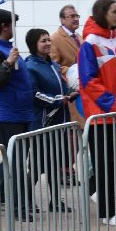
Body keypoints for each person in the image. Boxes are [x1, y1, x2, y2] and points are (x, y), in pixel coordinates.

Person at [77, 0, 116, 225]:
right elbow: (88, 81)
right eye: (115, 12)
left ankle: (104, 197)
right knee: (107, 164)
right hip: (102, 118)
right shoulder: (90, 43)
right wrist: (114, 105)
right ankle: (107, 211)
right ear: (103, 13)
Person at [0, 8, 35, 216]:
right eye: (13, 24)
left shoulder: (4, 47)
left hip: (18, 111)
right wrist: (9, 63)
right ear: (4, 26)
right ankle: (18, 207)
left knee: (14, 160)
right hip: (5, 113)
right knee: (17, 163)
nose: (14, 28)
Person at [24, 27, 71, 210]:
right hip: (42, 123)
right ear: (33, 45)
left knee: (54, 165)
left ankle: (55, 201)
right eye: (43, 41)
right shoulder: (30, 67)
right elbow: (34, 95)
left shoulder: (52, 64)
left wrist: (69, 94)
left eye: (48, 40)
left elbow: (60, 88)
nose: (48, 43)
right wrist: (58, 101)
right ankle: (26, 201)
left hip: (59, 121)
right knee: (36, 167)